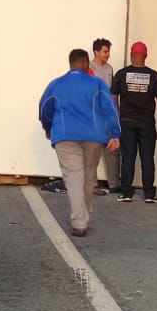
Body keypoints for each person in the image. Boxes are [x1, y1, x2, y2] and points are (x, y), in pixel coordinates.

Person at [39, 48, 120, 237]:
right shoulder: (97, 84)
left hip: (65, 136)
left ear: (70, 63)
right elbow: (110, 108)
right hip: (94, 136)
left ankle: (80, 222)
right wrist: (114, 133)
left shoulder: (56, 85)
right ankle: (85, 212)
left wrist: (48, 128)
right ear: (85, 64)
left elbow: (44, 108)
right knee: (89, 175)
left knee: (74, 177)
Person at [111, 41, 157, 203]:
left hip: (126, 121)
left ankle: (126, 193)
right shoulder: (154, 75)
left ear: (131, 55)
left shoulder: (122, 74)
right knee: (147, 157)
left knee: (128, 157)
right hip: (147, 123)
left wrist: (115, 118)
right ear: (146, 56)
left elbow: (113, 98)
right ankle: (149, 194)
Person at [90, 38, 119, 193]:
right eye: (105, 51)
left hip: (107, 113)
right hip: (94, 114)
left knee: (112, 149)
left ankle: (114, 183)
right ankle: (91, 183)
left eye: (108, 52)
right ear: (96, 52)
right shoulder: (88, 68)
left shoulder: (109, 69)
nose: (108, 54)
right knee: (93, 149)